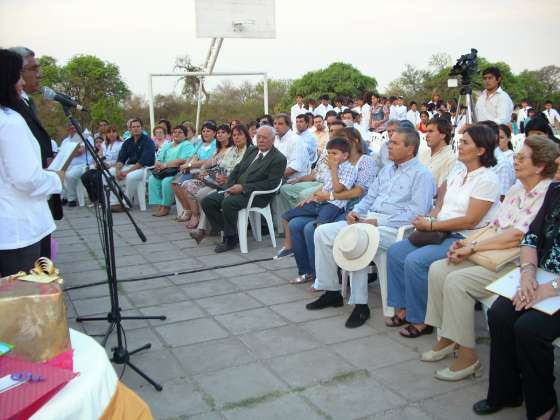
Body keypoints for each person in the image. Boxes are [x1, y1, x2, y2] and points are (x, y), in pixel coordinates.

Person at [424, 136, 559, 383]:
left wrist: (473, 246)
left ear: (540, 166)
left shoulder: (547, 194)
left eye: (521, 158)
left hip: (515, 261)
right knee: (438, 269)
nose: (514, 161)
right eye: (516, 156)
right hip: (489, 251)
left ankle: (468, 357)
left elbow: (518, 236)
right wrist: (465, 243)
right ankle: (448, 337)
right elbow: (496, 225)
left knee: (457, 282)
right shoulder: (517, 190)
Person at [307, 127, 435, 328]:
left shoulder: (422, 175)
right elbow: (369, 198)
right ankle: (331, 292)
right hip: (367, 221)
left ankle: (361, 305)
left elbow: (416, 213)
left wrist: (377, 222)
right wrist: (355, 211)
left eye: (394, 143)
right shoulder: (386, 171)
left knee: (359, 238)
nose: (388, 146)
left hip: (396, 230)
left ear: (410, 149)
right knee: (322, 232)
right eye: (389, 142)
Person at [386, 125, 500, 337]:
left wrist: (431, 225)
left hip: (464, 238)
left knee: (415, 261)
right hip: (440, 231)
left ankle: (421, 319)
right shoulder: (459, 174)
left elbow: (470, 220)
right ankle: (404, 307)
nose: (460, 145)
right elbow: (442, 207)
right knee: (396, 252)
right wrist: (428, 218)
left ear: (481, 150)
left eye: (465, 143)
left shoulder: (487, 179)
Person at [473, 173, 560, 419]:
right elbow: (531, 237)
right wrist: (527, 275)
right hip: (541, 275)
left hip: (553, 286)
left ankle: (543, 403)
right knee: (500, 314)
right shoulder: (555, 191)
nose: (557, 164)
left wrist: (548, 288)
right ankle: (506, 392)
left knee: (530, 329)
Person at [0, 49, 63, 275]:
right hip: (17, 229)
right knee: (23, 300)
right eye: (18, 76)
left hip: (9, 226)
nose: (21, 83)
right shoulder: (9, 121)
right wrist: (56, 178)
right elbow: (26, 178)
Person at [280, 138, 358, 283]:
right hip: (320, 202)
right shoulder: (329, 169)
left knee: (317, 229)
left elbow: (337, 189)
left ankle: (321, 276)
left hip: (334, 205)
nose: (331, 157)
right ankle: (291, 251)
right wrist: (311, 197)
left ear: (346, 155)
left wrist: (334, 169)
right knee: (288, 216)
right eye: (329, 153)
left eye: (335, 153)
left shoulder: (349, 169)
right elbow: (324, 187)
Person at [201, 125, 287, 253]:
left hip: (257, 195)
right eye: (259, 137)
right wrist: (228, 187)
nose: (261, 140)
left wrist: (243, 188)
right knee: (207, 201)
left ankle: (229, 239)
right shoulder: (252, 150)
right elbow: (237, 169)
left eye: (265, 138)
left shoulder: (278, 158)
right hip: (236, 189)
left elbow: (270, 184)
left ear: (273, 140)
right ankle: (231, 233)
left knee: (228, 203)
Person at [188, 124, 252, 243]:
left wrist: (227, 179)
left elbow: (245, 173)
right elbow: (221, 166)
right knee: (201, 194)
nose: (236, 137)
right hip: (221, 182)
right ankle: (220, 229)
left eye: (240, 135)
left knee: (205, 196)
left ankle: (204, 229)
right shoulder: (231, 150)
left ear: (246, 136)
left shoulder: (249, 151)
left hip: (235, 185)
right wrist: (214, 175)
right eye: (234, 135)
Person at [177, 124, 231, 225]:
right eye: (219, 132)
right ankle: (195, 214)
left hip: (219, 181)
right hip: (209, 177)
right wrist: (203, 170)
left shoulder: (230, 149)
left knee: (200, 193)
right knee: (186, 184)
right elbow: (209, 162)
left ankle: (204, 223)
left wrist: (197, 168)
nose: (220, 135)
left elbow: (222, 168)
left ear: (229, 134)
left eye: (223, 132)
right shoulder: (218, 149)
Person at [148, 125, 196, 217]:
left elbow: (183, 160)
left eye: (180, 132)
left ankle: (166, 206)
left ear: (185, 135)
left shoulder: (186, 144)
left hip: (177, 171)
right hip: (164, 170)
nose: (176, 134)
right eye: (174, 132)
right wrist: (158, 165)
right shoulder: (167, 145)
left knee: (167, 182)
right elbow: (159, 158)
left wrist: (165, 165)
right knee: (152, 179)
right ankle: (159, 204)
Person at [109, 118, 155, 212]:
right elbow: (121, 159)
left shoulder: (148, 141)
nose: (136, 129)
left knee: (130, 176)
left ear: (142, 128)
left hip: (145, 169)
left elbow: (142, 162)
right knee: (109, 172)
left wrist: (126, 172)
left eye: (138, 126)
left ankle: (126, 204)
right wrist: (118, 171)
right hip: (130, 167)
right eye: (133, 127)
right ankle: (114, 203)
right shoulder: (127, 142)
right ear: (129, 129)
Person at [81, 126, 123, 204]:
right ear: (106, 134)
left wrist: (109, 165)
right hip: (102, 166)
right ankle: (95, 199)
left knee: (96, 177)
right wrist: (98, 162)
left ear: (117, 133)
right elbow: (99, 156)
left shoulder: (121, 144)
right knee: (85, 176)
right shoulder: (104, 144)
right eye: (109, 132)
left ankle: (103, 200)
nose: (111, 134)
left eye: (113, 132)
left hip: (113, 166)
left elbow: (121, 159)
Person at [60, 123, 93, 207]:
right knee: (58, 174)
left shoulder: (85, 137)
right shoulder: (65, 141)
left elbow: (80, 152)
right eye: (71, 128)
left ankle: (72, 199)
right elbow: (61, 154)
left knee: (70, 175)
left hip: (82, 165)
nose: (73, 129)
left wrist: (68, 152)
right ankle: (64, 197)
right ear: (68, 129)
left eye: (75, 128)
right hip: (68, 164)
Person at [273, 113, 310, 182]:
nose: (276, 126)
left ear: (289, 125)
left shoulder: (296, 140)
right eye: (275, 124)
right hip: (278, 177)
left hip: (293, 180)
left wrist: (274, 176)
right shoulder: (275, 139)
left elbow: (294, 167)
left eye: (280, 124)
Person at [424, 118, 457, 188]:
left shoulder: (451, 159)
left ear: (443, 135)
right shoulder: (424, 154)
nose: (426, 135)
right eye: (426, 132)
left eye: (431, 131)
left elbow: (442, 191)